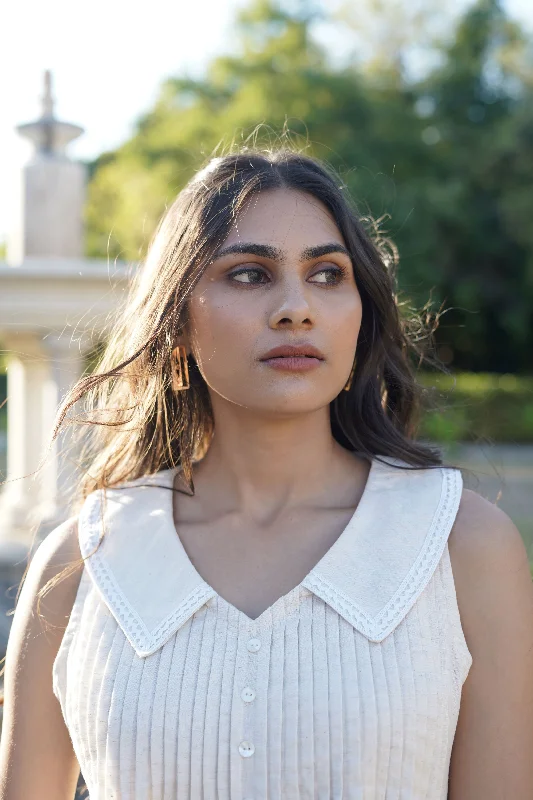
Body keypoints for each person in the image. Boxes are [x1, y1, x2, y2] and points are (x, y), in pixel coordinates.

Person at [1, 148, 532, 800]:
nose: (295, 307)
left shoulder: (462, 545)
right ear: (175, 329)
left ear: (359, 318)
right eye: (250, 274)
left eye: (328, 274)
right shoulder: (80, 561)